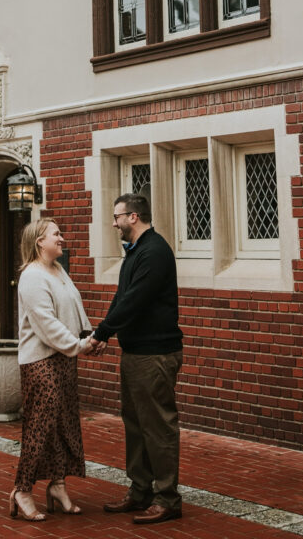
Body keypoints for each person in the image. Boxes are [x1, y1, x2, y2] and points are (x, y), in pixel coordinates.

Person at [90, 193, 183, 525]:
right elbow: (121, 297)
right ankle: (140, 490)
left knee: (158, 427)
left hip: (155, 354)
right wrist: (104, 332)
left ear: (133, 217)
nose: (113, 223)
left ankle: (168, 498)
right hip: (135, 353)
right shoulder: (135, 253)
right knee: (135, 425)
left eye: (116, 217)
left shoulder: (155, 251)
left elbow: (136, 301)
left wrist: (102, 333)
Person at [9, 217, 93, 522]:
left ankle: (58, 486)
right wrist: (78, 345)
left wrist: (88, 336)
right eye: (55, 234)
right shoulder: (32, 276)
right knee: (40, 428)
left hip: (65, 358)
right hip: (41, 362)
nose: (61, 237)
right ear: (39, 242)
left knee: (64, 424)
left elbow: (74, 308)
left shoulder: (57, 270)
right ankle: (22, 490)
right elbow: (46, 325)